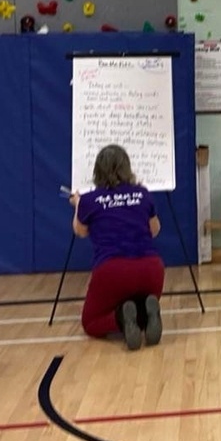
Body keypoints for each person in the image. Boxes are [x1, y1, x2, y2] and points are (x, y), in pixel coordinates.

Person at [68, 144, 165, 350]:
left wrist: (78, 205)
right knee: (137, 295)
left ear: (97, 171)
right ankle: (145, 312)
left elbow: (81, 231)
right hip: (151, 268)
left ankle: (123, 316)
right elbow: (154, 230)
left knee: (91, 323)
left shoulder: (89, 200)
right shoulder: (142, 194)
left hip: (112, 270)